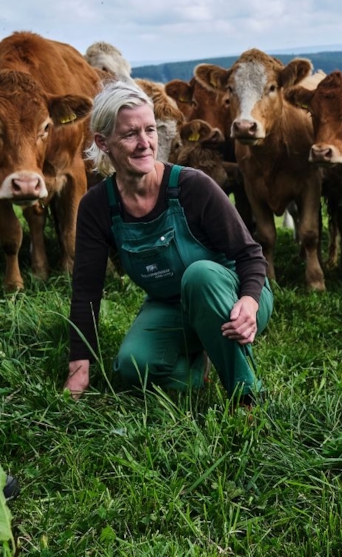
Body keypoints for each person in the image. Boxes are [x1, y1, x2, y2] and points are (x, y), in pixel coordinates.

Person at [64, 81, 273, 406]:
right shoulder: (96, 206)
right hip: (170, 305)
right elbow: (86, 289)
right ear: (103, 142)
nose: (145, 143)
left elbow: (250, 254)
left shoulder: (192, 186)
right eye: (130, 134)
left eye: (150, 130)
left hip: (233, 294)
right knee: (133, 367)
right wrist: (79, 365)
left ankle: (244, 396)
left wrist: (250, 301)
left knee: (200, 274)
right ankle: (198, 363)